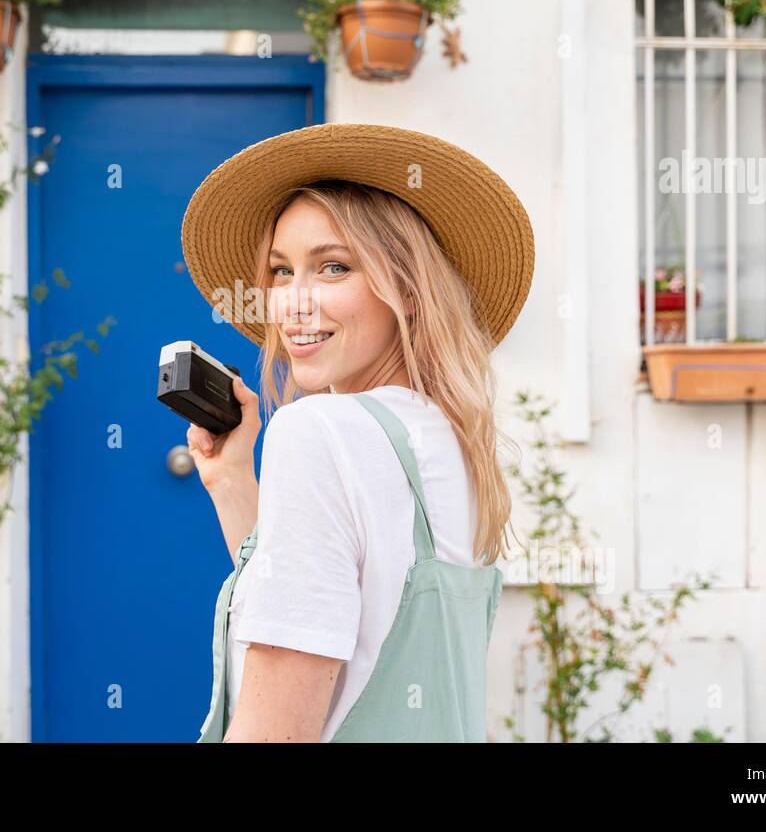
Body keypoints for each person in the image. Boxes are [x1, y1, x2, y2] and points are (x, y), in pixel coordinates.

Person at [179, 122, 535, 742]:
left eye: (334, 268)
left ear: (408, 287)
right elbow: (336, 599)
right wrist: (232, 480)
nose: (294, 303)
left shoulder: (317, 430)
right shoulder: (450, 439)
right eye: (281, 272)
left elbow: (275, 732)